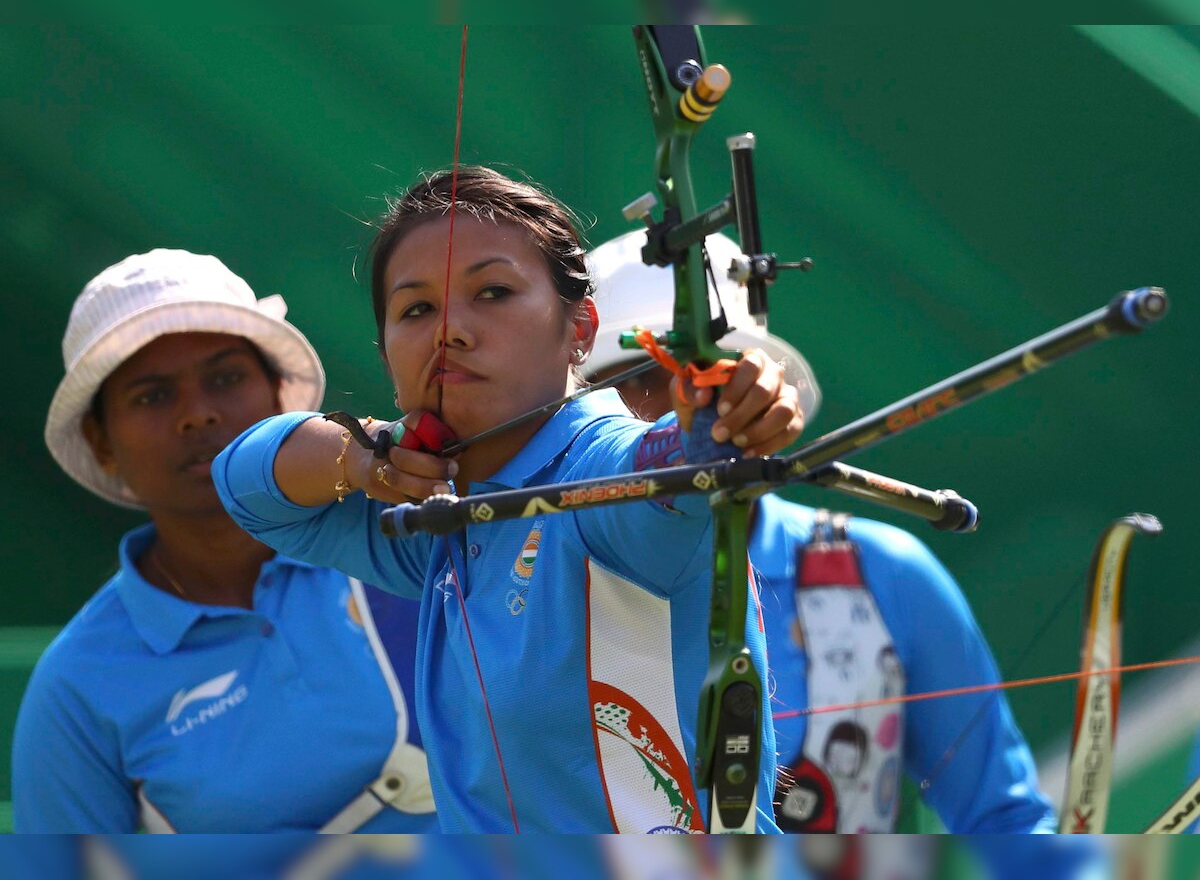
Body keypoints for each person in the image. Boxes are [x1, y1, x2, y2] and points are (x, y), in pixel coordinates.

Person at [214, 166, 806, 833]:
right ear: (385, 356)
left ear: (581, 326)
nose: (449, 331)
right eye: (415, 310)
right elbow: (245, 484)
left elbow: (661, 467)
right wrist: (364, 457)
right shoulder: (443, 520)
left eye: (492, 292)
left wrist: (723, 420)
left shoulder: (594, 478)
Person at [585, 230, 1111, 869]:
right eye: (633, 386)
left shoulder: (882, 574)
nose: (679, 414)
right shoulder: (537, 598)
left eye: (705, 378)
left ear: (760, 390)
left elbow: (1009, 823)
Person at [15, 249, 436, 833]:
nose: (198, 414)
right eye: (152, 395)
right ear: (102, 441)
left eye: (226, 377)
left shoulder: (403, 535)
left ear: (280, 397)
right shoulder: (76, 688)